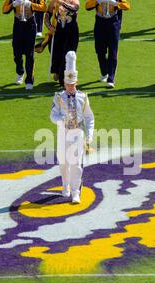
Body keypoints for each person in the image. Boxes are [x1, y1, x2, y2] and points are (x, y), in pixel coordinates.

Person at [50, 51, 95, 204]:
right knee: (63, 163)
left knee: (76, 164)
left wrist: (89, 135)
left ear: (76, 83)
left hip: (77, 133)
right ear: (64, 83)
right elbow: (52, 115)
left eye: (72, 85)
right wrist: (60, 120)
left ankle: (76, 192)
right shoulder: (58, 97)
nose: (70, 87)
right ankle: (65, 185)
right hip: (63, 132)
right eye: (67, 85)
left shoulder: (83, 97)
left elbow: (89, 117)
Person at [86, 0, 130, 88]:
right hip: (100, 22)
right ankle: (104, 72)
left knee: (113, 51)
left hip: (113, 22)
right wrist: (97, 1)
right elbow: (87, 6)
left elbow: (127, 6)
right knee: (100, 51)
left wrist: (116, 4)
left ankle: (111, 78)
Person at [3, 0, 46, 90]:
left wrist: (30, 4)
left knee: (29, 54)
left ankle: (29, 80)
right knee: (16, 53)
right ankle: (20, 72)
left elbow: (43, 8)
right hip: (18, 24)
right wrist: (12, 5)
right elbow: (4, 10)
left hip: (30, 25)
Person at [45, 0, 79, 86]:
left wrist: (62, 3)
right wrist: (49, 26)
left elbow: (75, 8)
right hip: (58, 33)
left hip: (72, 32)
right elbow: (47, 16)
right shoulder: (54, 1)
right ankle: (57, 71)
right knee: (57, 55)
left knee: (68, 55)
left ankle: (64, 80)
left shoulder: (73, 1)